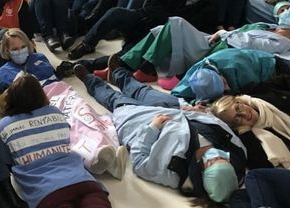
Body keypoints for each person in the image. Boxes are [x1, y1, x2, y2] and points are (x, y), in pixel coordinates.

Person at [75, 66, 246, 204]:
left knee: (115, 99)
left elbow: (140, 162)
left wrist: (152, 128)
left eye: (214, 162)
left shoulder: (174, 173)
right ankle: (118, 71)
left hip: (141, 121)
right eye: (225, 160)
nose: (218, 156)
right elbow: (220, 124)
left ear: (202, 170)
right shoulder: (235, 150)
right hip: (177, 109)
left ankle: (89, 80)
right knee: (140, 90)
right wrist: (200, 112)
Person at [0, 74, 111, 208]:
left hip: (47, 192)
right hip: (83, 181)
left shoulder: (5, 125)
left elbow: (4, 161)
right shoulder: (55, 112)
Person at [69, 0, 218, 59]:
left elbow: (185, 26)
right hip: (143, 17)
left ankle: (91, 66)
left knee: (126, 56)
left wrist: (162, 17)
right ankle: (87, 44)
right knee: (115, 13)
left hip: (158, 36)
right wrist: (165, 16)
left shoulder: (208, 8)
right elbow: (151, 1)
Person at [211, 94, 290, 168]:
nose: (244, 114)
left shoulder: (266, 100)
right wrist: (244, 131)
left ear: (240, 101)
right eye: (237, 119)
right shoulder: (252, 137)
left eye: (238, 107)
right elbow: (262, 165)